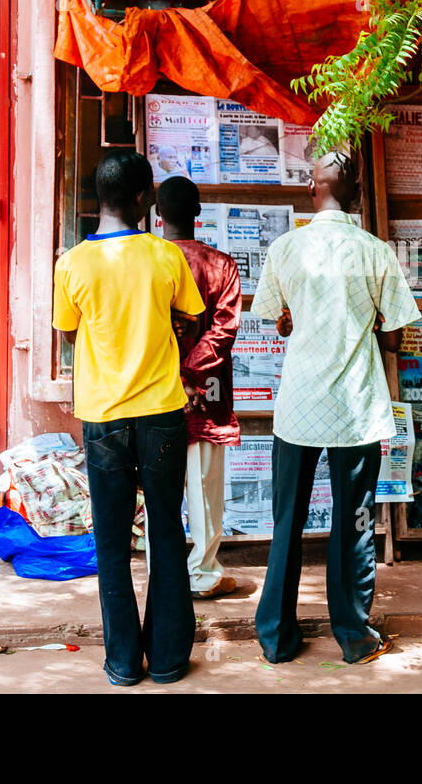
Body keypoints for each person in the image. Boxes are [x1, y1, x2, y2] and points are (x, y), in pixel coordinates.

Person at [251, 151, 420, 665]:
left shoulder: (285, 248)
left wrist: (293, 320)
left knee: (287, 523)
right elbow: (394, 340)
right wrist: (367, 323)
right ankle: (353, 635)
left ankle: (277, 638)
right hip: (356, 409)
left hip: (299, 407)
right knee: (354, 525)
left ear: (311, 188)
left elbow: (276, 318)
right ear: (354, 191)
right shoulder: (375, 252)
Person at [52, 150, 204, 686]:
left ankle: (122, 661)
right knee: (166, 533)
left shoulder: (70, 264)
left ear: (101, 196)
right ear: (144, 199)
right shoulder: (166, 258)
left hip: (103, 416)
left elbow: (68, 331)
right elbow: (191, 316)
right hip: (161, 412)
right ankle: (167, 659)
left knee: (112, 543)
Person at [156, 176, 242, 600]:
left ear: (156, 215)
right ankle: (203, 573)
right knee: (206, 488)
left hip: (154, 392)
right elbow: (224, 331)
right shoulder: (221, 265)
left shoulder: (150, 262)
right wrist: (191, 376)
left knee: (160, 488)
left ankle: (163, 570)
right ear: (198, 212)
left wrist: (172, 376)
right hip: (208, 391)